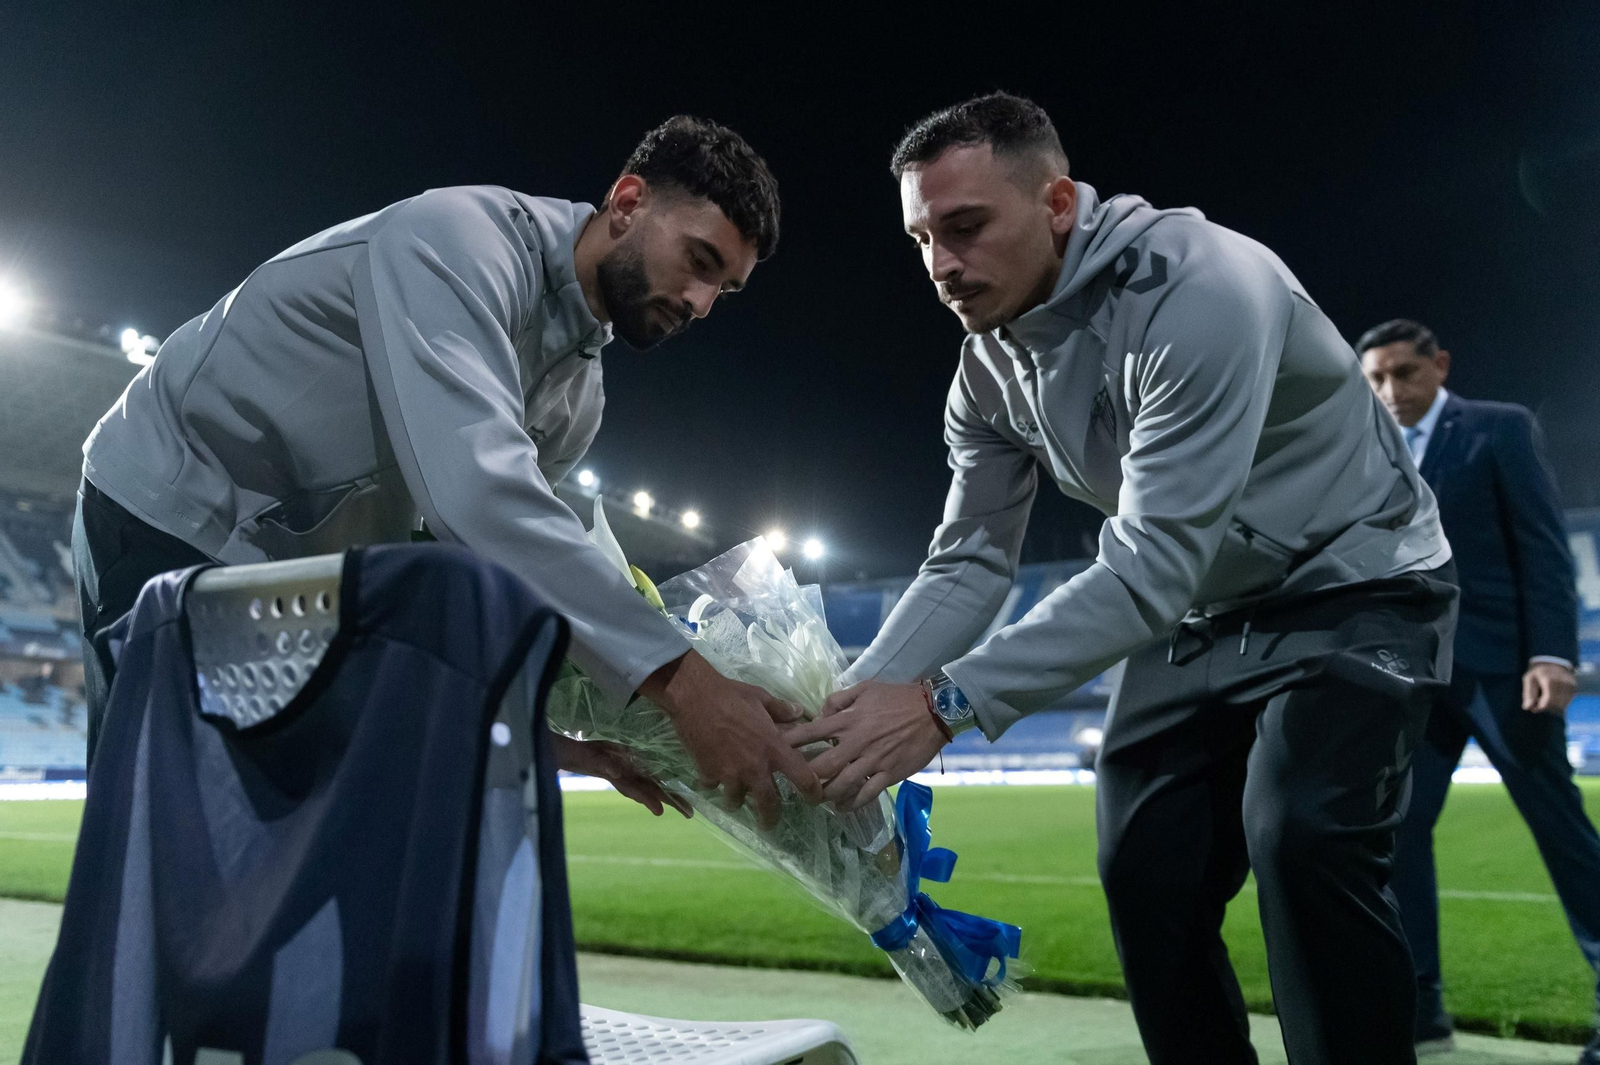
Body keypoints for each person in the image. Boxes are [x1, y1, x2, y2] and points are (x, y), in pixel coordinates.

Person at [788, 92, 1456, 1064]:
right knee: (1146, 871)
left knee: (1303, 838)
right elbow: (969, 558)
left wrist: (942, 703)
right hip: (1197, 605)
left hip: (1352, 588)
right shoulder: (984, 371)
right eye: (922, 237)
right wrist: (843, 713)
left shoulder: (1201, 290)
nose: (940, 266)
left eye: (966, 227)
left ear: (1057, 203)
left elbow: (1150, 563)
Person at [74, 115, 823, 826]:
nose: (699, 303)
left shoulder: (577, 400)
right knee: (165, 836)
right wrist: (689, 685)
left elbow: (471, 574)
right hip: (173, 509)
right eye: (699, 261)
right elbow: (474, 495)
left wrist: (545, 731)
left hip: (300, 586)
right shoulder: (459, 240)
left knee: (292, 846)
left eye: (723, 289)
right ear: (627, 202)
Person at [1359, 318, 1599, 1061]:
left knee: (1559, 829)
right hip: (1413, 675)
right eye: (1375, 379)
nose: (1389, 391)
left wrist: (1553, 654)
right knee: (1395, 834)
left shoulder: (1498, 428)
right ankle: (1421, 1005)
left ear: (1440, 365)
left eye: (1403, 373)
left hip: (1505, 668)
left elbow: (1543, 545)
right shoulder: (1364, 449)